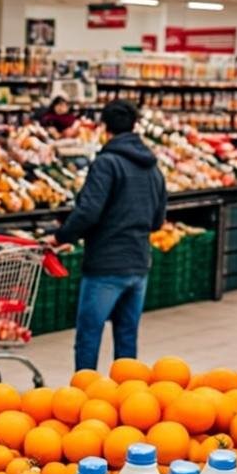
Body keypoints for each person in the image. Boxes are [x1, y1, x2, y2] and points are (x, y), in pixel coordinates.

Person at [47, 99, 167, 372]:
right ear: (135, 126)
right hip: (138, 264)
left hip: (106, 265)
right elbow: (158, 220)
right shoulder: (153, 167)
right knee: (127, 339)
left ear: (104, 128)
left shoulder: (107, 163)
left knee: (89, 336)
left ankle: (86, 396)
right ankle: (126, 400)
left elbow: (88, 211)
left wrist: (60, 237)